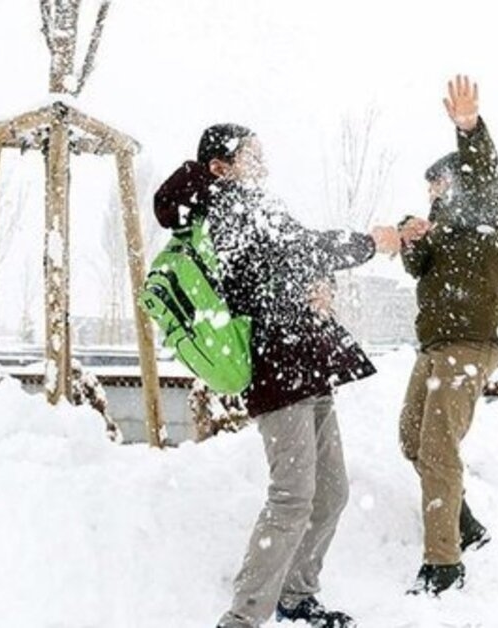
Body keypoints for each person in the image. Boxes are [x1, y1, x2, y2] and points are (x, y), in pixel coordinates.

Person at [154, 123, 402, 628]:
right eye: (251, 155)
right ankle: (243, 618)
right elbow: (296, 248)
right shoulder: (225, 206)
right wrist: (369, 243)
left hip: (308, 363)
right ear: (221, 166)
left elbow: (291, 260)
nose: (263, 162)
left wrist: (321, 282)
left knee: (331, 493)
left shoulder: (257, 205)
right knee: (292, 497)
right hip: (278, 368)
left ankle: (297, 594)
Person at [396, 75, 498, 595]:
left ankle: (444, 564)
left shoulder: (493, 206)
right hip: (436, 347)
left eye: (439, 186)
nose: (433, 195)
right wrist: (410, 236)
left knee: (439, 447)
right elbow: (417, 267)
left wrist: (468, 128)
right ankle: (464, 523)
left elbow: (485, 172)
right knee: (412, 439)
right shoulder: (442, 228)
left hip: (471, 344)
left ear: (460, 179)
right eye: (429, 190)